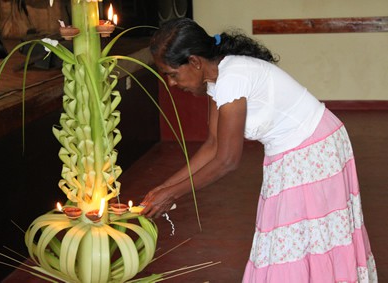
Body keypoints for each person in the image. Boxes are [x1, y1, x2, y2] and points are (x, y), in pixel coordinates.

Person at [139, 17, 377, 282]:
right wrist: (163, 189)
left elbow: (227, 160)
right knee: (291, 239)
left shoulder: (233, 78)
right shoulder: (218, 79)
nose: (172, 83)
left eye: (172, 74)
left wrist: (172, 195)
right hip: (294, 150)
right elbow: (213, 145)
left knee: (301, 238)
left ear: (194, 62)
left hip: (313, 146)